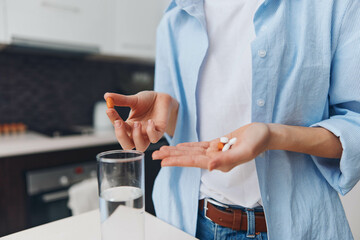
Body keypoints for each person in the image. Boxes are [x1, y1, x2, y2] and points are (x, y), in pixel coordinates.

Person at [105, 0, 360, 239]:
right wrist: (168, 115)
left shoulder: (334, 6)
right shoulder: (177, 14)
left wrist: (272, 136)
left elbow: (354, 127)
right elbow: (182, 133)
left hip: (297, 228)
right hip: (187, 223)